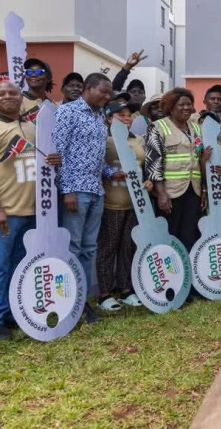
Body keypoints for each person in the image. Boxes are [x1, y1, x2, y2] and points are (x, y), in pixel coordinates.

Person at [0, 81, 61, 340]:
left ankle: (13, 313)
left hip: (33, 212)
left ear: (21, 97)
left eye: (13, 93)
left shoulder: (33, 128)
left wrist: (55, 159)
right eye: (1, 93)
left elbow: (47, 161)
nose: (8, 97)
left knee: (20, 266)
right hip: (3, 213)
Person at [52, 72, 114, 324]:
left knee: (89, 249)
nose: (107, 97)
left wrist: (111, 172)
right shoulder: (68, 112)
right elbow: (57, 151)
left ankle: (83, 301)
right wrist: (66, 190)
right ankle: (68, 301)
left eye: (109, 93)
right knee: (72, 247)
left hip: (96, 190)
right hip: (75, 191)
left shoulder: (100, 115)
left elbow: (95, 155)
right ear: (88, 88)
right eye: (104, 92)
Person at [96, 98, 148, 312]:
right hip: (112, 203)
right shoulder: (103, 139)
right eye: (121, 115)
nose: (127, 119)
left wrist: (149, 181)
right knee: (108, 247)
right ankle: (105, 293)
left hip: (135, 202)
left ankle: (125, 289)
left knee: (128, 246)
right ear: (109, 118)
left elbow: (144, 166)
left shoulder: (138, 140)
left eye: (129, 115)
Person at [145, 88, 204, 252]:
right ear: (171, 107)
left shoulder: (196, 128)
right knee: (169, 235)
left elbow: (201, 159)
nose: (187, 108)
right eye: (182, 105)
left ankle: (187, 273)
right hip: (170, 192)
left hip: (194, 190)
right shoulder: (158, 127)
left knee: (189, 235)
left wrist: (204, 189)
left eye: (189, 104)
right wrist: (161, 193)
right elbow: (153, 162)